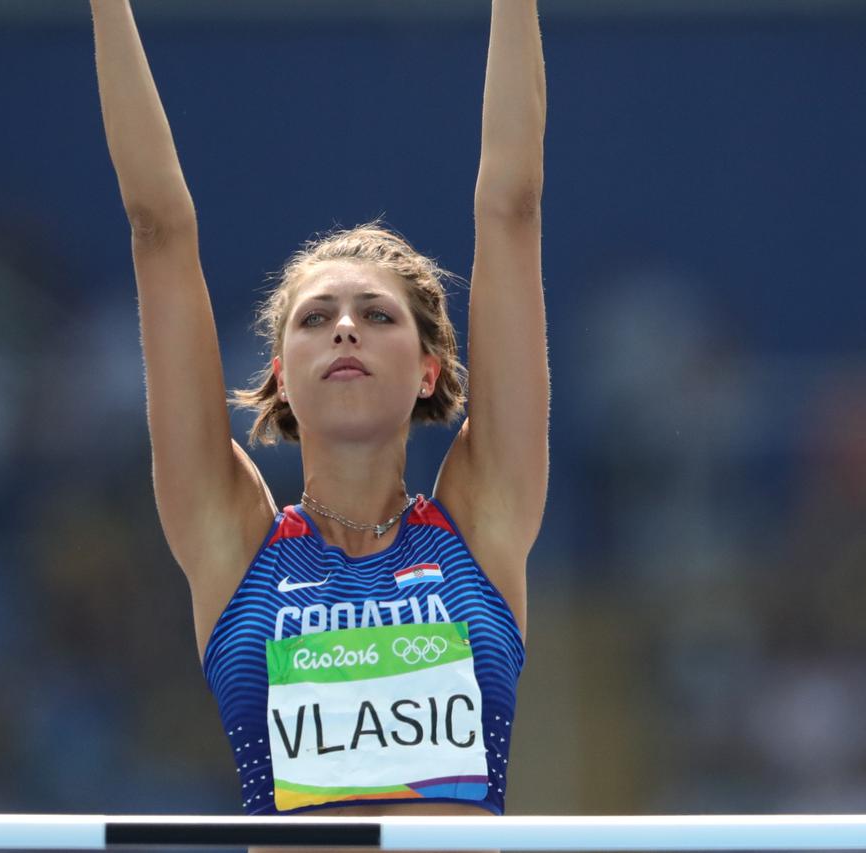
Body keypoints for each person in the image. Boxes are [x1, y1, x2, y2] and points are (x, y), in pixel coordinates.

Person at [90, 0, 547, 832]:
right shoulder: (231, 539)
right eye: (315, 318)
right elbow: (159, 228)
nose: (344, 326)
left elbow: (510, 208)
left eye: (377, 316)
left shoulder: (481, 521)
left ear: (429, 368)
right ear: (279, 377)